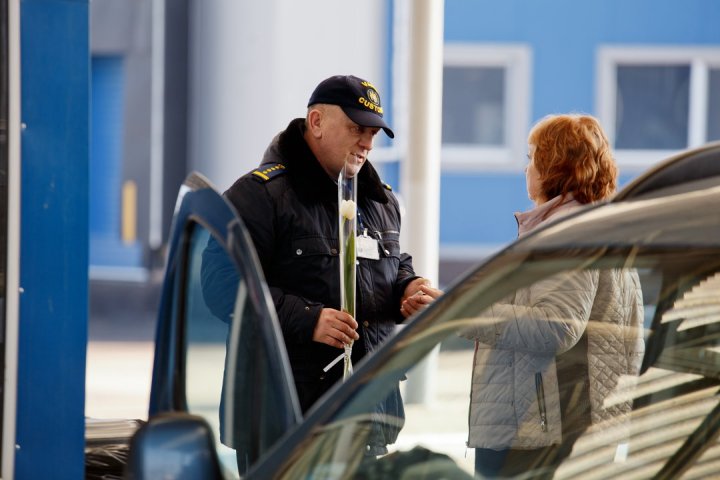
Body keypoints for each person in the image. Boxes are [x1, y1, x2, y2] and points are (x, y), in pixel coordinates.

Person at [222, 74, 442, 419]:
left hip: (369, 410)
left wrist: (407, 289)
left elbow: (391, 263)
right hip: (283, 415)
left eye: (373, 134)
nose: (368, 143)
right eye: (357, 129)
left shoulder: (380, 200)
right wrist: (308, 319)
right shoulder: (259, 195)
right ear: (317, 122)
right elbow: (222, 287)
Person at [461, 114, 645, 478]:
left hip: (540, 434)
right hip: (570, 427)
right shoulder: (597, 226)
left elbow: (556, 327)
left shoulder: (568, 234)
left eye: (532, 158)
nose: (526, 168)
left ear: (554, 165)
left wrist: (465, 314)